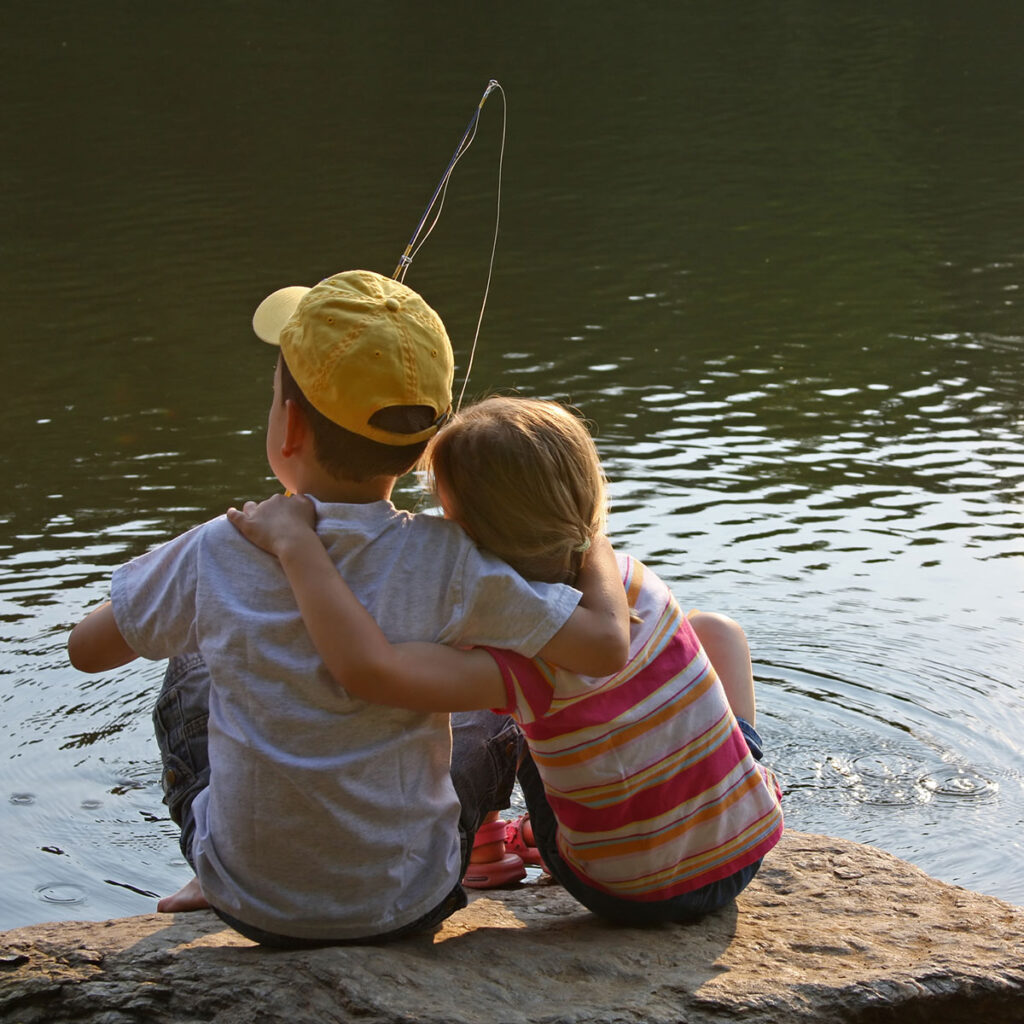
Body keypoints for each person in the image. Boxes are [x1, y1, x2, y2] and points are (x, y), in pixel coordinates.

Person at [67, 272, 629, 947]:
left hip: (252, 903)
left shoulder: (217, 547)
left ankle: (212, 864)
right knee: (494, 692)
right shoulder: (451, 559)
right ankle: (479, 847)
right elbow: (598, 649)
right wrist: (594, 541)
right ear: (426, 438)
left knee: (189, 667)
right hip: (410, 899)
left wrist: (210, 592)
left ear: (289, 426)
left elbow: (87, 651)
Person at [228, 395, 785, 925]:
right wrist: (585, 523)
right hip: (744, 852)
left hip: (624, 892)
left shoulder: (516, 658)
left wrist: (297, 548)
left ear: (465, 533)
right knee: (716, 631)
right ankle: (738, 789)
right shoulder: (634, 578)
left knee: (497, 712)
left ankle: (491, 841)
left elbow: (370, 670)